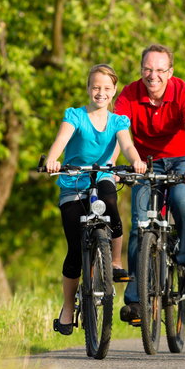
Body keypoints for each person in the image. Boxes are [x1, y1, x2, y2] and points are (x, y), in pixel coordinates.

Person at [45, 64, 147, 335]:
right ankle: (68, 308)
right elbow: (61, 140)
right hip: (73, 181)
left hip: (102, 175)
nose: (100, 92)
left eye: (106, 88)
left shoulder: (118, 121)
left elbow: (126, 145)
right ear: (88, 89)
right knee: (75, 251)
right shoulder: (75, 116)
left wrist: (135, 161)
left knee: (111, 203)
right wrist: (53, 159)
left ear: (114, 90)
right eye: (95, 87)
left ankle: (114, 261)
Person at [115, 44, 185, 324]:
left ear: (170, 71)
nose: (152, 75)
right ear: (141, 69)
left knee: (182, 200)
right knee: (140, 224)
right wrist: (121, 164)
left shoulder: (184, 92)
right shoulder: (129, 94)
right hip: (145, 161)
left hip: (183, 159)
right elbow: (120, 134)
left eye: (159, 70)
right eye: (147, 69)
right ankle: (135, 301)